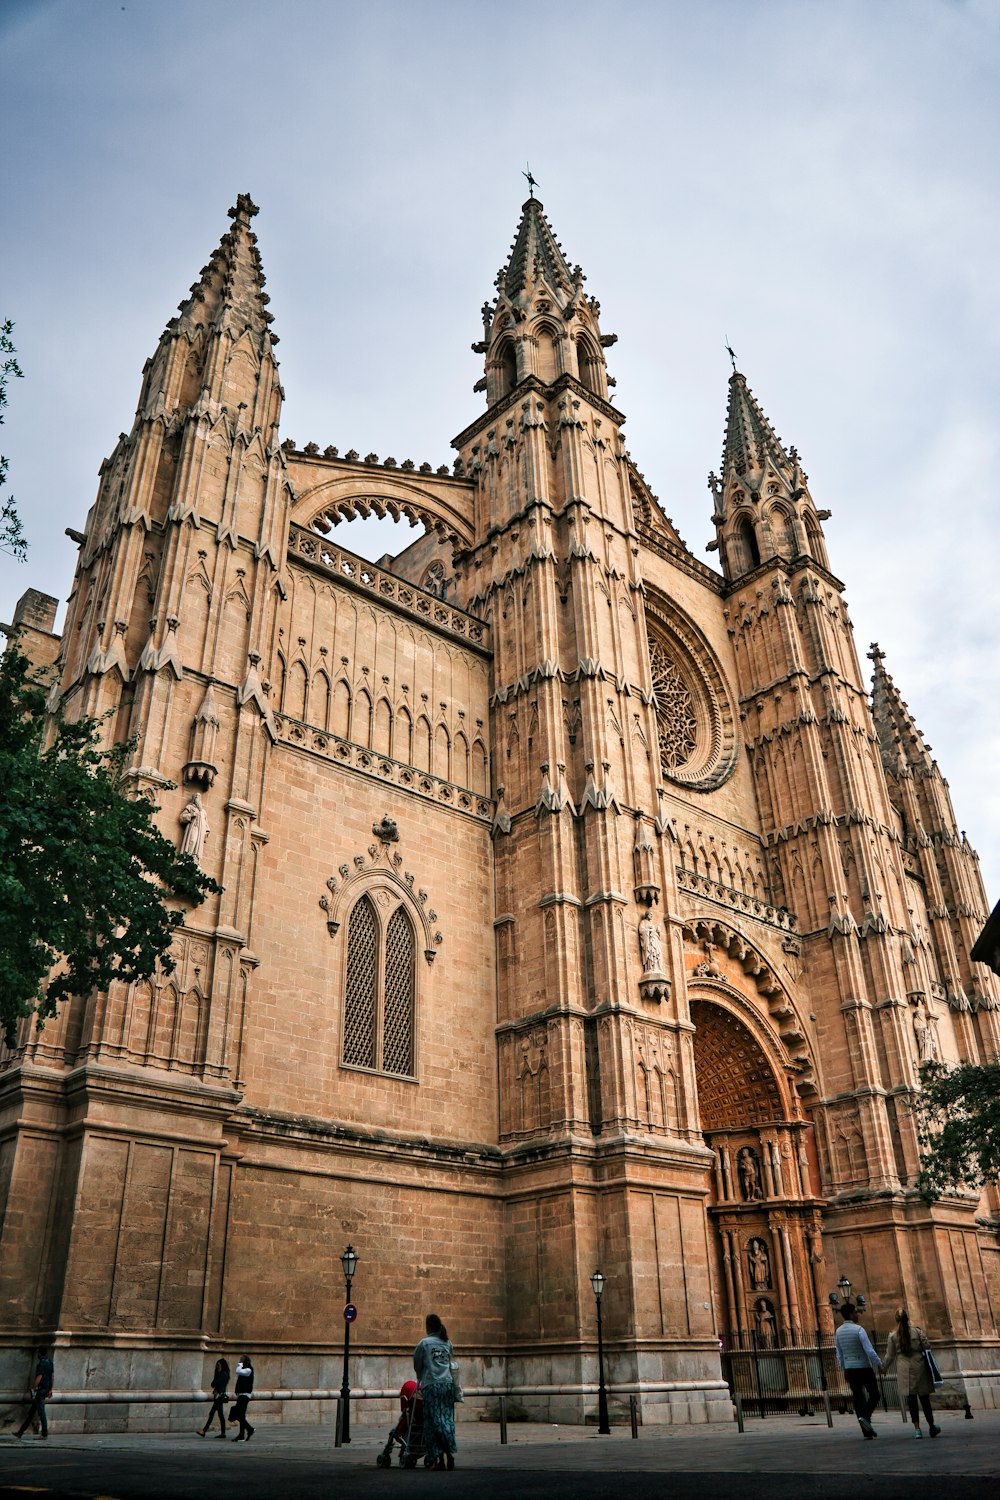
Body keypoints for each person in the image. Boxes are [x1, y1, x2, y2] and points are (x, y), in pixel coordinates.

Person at [882, 1308, 941, 1438]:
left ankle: (917, 1429)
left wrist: (884, 1368)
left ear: (896, 1320)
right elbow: (927, 1347)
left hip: (903, 1367)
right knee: (924, 1399)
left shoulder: (892, 1336)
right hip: (919, 1365)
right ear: (907, 1318)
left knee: (911, 1399)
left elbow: (890, 1355)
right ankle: (931, 1426)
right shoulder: (917, 1331)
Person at [414, 1313, 457, 1471]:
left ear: (428, 1327)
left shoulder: (424, 1343)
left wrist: (420, 1376)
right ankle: (449, 1453)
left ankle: (438, 1459)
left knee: (433, 1422)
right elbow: (452, 1364)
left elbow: (417, 1365)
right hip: (447, 1385)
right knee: (446, 1420)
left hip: (431, 1386)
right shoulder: (447, 1343)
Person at [834, 1302, 882, 1439]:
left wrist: (844, 1368)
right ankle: (866, 1417)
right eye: (855, 1312)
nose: (857, 1314)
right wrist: (879, 1363)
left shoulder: (838, 1331)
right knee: (875, 1394)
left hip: (850, 1368)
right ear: (850, 1314)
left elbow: (839, 1353)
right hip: (863, 1367)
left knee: (858, 1398)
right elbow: (869, 1350)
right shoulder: (859, 1329)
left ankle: (866, 1432)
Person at [16, 1347, 54, 1440]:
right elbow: (52, 1376)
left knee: (41, 1412)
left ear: (40, 1353)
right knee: (32, 1413)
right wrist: (50, 1389)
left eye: (38, 1353)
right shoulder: (50, 1362)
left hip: (40, 1390)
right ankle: (20, 1432)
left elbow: (39, 1376)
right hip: (46, 1389)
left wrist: (34, 1388)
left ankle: (44, 1434)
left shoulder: (41, 1363)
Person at [197, 1357, 230, 1438]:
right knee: (220, 1415)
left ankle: (204, 1431)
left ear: (222, 1365)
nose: (217, 1367)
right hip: (218, 1396)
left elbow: (215, 1383)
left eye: (218, 1365)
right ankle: (223, 1433)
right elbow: (213, 1384)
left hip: (219, 1396)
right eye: (216, 1365)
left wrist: (217, 1376)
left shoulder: (223, 1374)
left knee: (212, 1413)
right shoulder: (221, 1374)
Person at [230, 1354, 255, 1441]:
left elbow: (237, 1371)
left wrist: (239, 1364)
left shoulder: (248, 1370)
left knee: (239, 1414)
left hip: (245, 1395)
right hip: (241, 1395)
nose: (240, 1361)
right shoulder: (245, 1370)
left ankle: (249, 1429)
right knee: (241, 1415)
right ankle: (242, 1434)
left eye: (242, 1360)